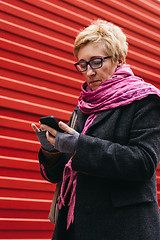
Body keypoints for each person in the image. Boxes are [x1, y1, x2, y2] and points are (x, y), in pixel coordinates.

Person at [32, 19, 160, 240]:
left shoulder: (145, 100)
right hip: (75, 227)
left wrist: (79, 146)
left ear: (119, 60)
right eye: (82, 64)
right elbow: (63, 173)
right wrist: (51, 152)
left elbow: (144, 162)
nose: (88, 72)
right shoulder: (84, 106)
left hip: (122, 227)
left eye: (96, 62)